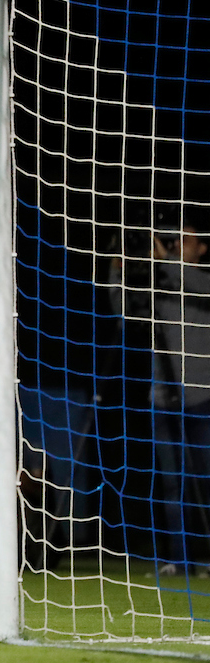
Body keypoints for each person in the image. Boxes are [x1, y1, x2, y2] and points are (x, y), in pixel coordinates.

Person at [151, 221, 210, 575]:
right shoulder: (158, 283)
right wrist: (118, 268)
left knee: (205, 478)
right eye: (171, 240)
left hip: (204, 398)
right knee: (174, 482)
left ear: (201, 248)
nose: (175, 245)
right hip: (163, 397)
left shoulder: (202, 281)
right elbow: (123, 309)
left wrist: (165, 261)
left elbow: (196, 286)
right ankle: (179, 558)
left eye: (183, 240)